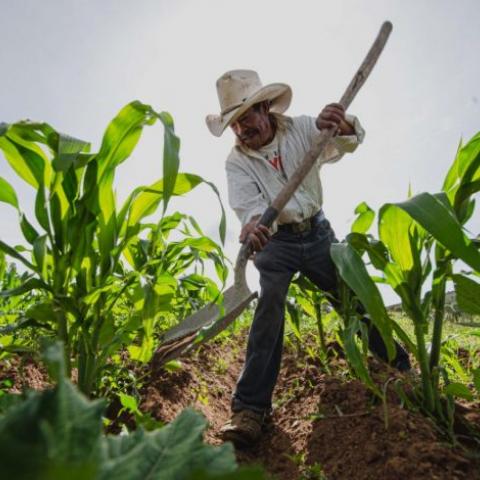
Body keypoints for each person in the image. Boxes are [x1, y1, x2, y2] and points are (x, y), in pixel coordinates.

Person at [205, 69, 410, 447]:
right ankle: (250, 410)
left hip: (316, 233)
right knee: (269, 308)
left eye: (246, 117)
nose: (240, 129)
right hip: (276, 244)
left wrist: (340, 123)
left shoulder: (301, 129)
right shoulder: (237, 161)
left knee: (352, 300)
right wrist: (253, 227)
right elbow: (248, 208)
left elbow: (346, 141)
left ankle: (401, 368)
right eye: (233, 123)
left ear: (265, 107)